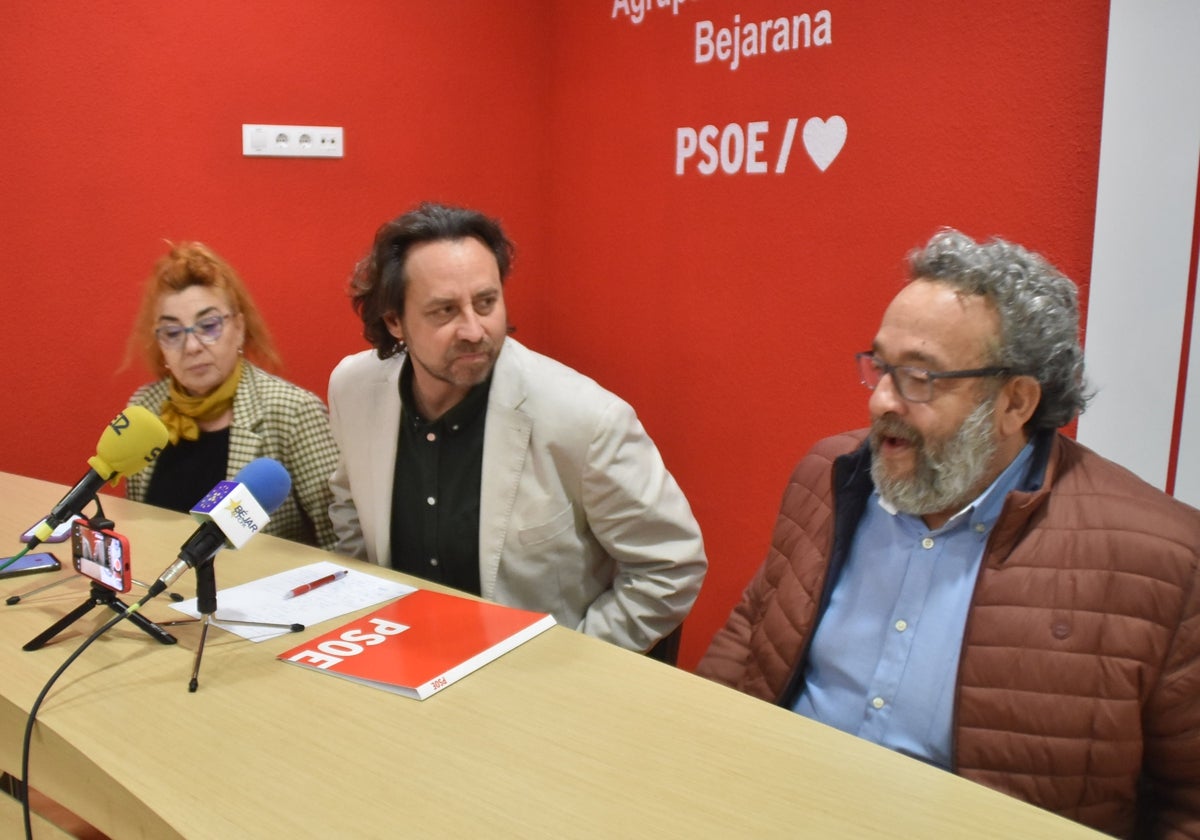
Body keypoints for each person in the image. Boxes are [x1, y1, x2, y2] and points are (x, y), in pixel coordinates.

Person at [697, 229, 1200, 838]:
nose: (882, 400)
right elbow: (753, 636)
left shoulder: (1161, 561)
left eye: (921, 379)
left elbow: (1187, 803)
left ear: (1015, 402)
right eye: (881, 367)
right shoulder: (830, 476)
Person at [327, 201, 706, 654]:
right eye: (444, 311)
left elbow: (671, 563)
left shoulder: (584, 417)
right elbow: (352, 511)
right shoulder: (353, 388)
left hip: (535, 682)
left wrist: (577, 663)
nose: (474, 329)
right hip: (397, 655)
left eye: (486, 303)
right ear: (395, 322)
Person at [124, 242, 339, 550]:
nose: (193, 346)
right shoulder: (145, 408)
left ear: (239, 327)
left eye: (208, 326)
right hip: (160, 589)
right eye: (173, 333)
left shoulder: (292, 412)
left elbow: (341, 543)